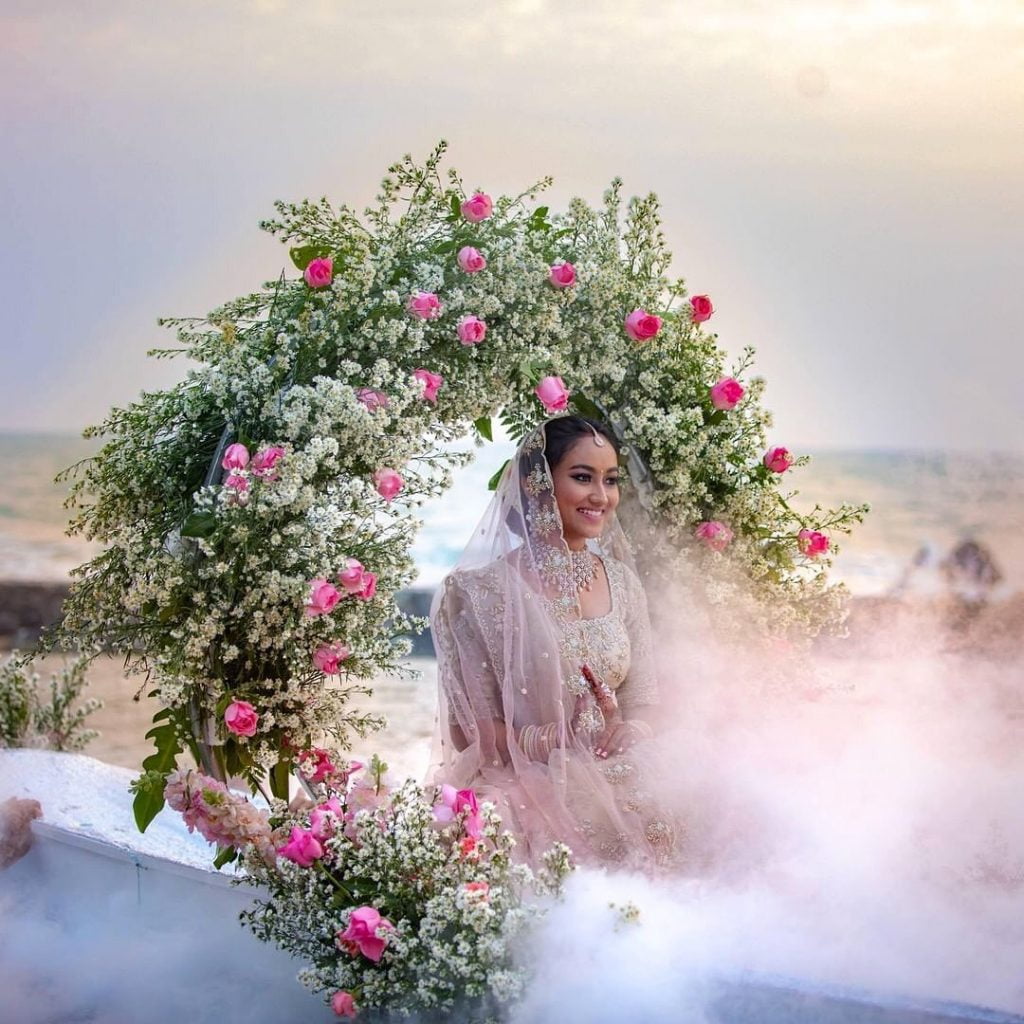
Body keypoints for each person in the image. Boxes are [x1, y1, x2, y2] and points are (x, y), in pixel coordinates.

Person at [429, 415, 678, 870]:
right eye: (583, 477)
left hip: (619, 765)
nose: (601, 497)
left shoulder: (622, 582)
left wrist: (631, 730)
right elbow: (470, 730)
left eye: (611, 480)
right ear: (537, 485)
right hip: (525, 783)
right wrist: (558, 739)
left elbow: (643, 698)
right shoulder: (477, 594)